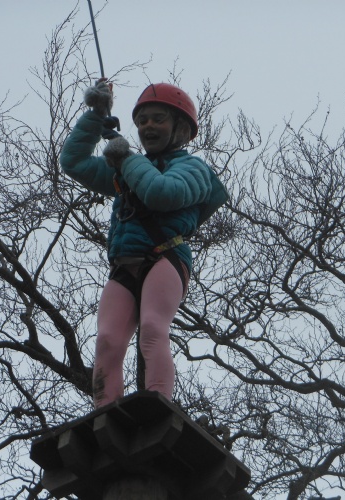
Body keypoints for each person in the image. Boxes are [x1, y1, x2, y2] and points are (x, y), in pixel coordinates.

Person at [60, 80, 228, 408]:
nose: (148, 126)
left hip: (165, 257)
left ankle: (158, 403)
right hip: (124, 264)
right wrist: (96, 116)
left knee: (152, 327)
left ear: (180, 128)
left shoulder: (193, 169)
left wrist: (125, 157)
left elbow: (161, 193)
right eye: (142, 121)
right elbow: (74, 163)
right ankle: (105, 410)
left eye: (158, 119)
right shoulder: (128, 169)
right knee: (107, 340)